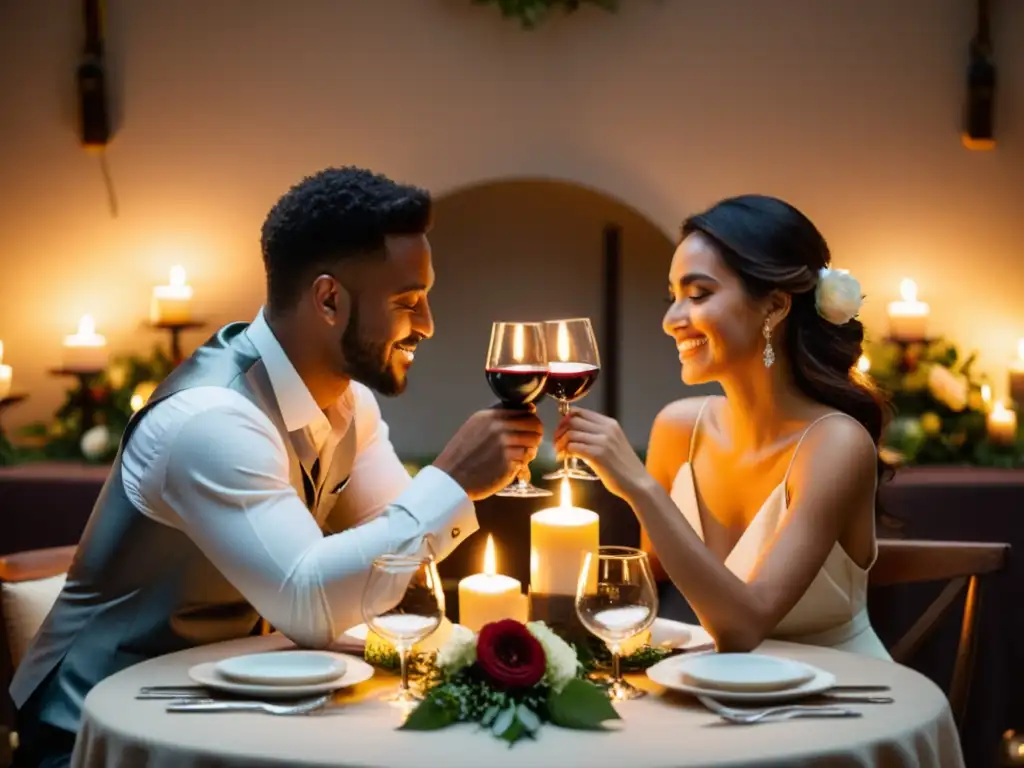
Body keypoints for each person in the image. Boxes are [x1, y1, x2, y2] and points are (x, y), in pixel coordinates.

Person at [11, 167, 543, 766]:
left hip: (230, 713)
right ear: (329, 299)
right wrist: (450, 480)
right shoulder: (210, 419)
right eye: (407, 302)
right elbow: (311, 602)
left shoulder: (348, 403)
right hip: (95, 734)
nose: (426, 325)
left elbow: (394, 564)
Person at [555, 194, 892, 659]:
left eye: (697, 295)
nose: (672, 320)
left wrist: (637, 485)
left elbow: (744, 627)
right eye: (672, 297)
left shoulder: (836, 444)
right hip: (721, 701)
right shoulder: (677, 429)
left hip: (841, 704)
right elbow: (650, 582)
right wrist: (552, 580)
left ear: (774, 307)